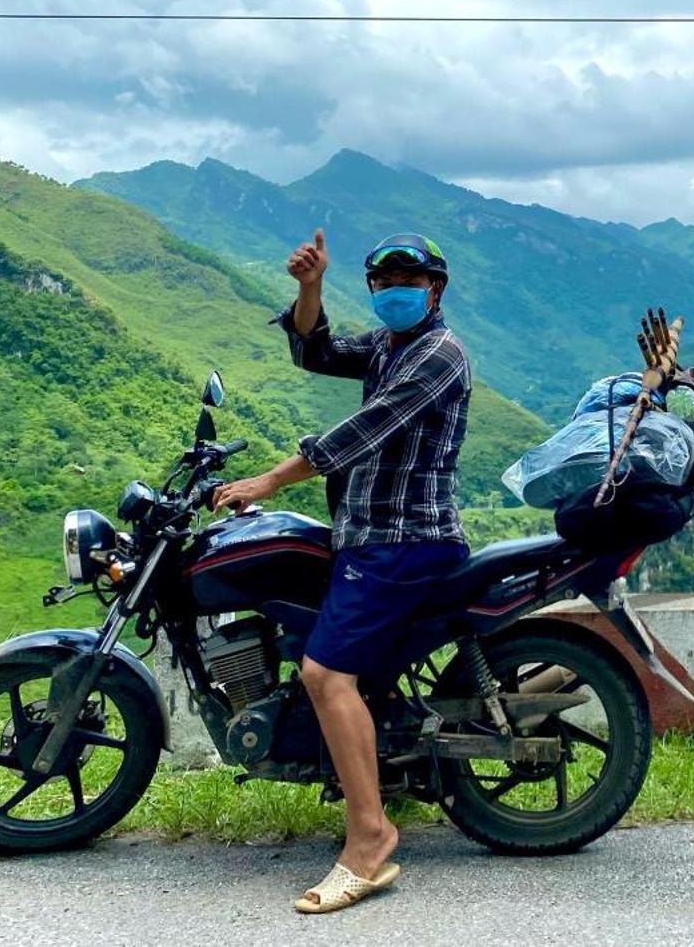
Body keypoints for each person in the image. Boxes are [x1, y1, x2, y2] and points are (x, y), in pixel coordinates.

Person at [213, 229, 472, 912]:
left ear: (434, 289)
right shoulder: (389, 345)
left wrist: (268, 479)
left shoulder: (439, 354)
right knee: (317, 650)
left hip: (403, 537)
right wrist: (309, 288)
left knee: (326, 673)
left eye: (406, 281)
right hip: (365, 535)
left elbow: (362, 433)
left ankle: (369, 840)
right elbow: (317, 350)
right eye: (383, 281)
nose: (393, 290)